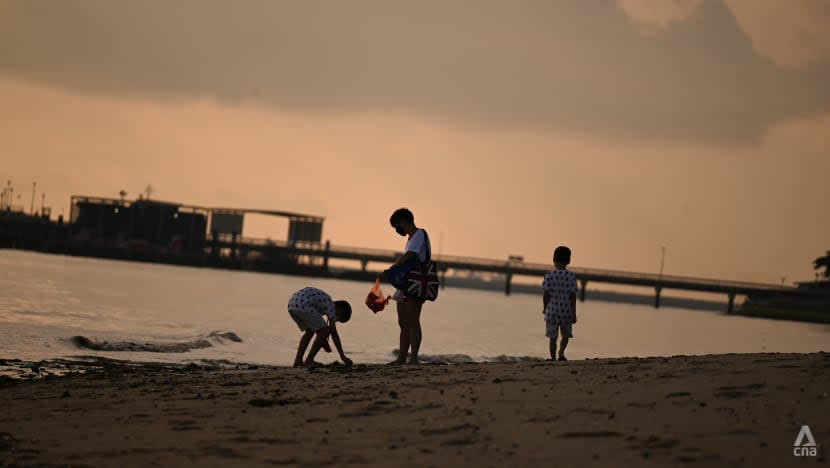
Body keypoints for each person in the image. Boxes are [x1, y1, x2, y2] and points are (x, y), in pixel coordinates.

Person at [378, 208, 431, 365]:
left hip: (415, 283)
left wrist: (391, 269)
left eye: (396, 225)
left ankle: (413, 358)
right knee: (403, 322)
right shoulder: (410, 239)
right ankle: (401, 357)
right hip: (405, 283)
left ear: (403, 221)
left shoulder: (419, 234)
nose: (397, 229)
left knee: (413, 320)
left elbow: (410, 255)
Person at [287, 286, 353, 368]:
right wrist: (342, 356)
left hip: (293, 304)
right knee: (326, 330)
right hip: (304, 305)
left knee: (310, 331)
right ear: (340, 310)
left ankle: (298, 361)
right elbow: (334, 333)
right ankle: (309, 361)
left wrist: (323, 340)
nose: (335, 319)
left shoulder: (325, 302)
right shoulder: (331, 306)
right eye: (338, 318)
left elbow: (318, 328)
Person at [542, 246, 578, 361]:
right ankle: (561, 353)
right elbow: (573, 297)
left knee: (552, 338)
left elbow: (546, 294)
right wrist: (574, 313)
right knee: (566, 335)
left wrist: (545, 308)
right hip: (566, 312)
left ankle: (553, 358)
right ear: (569, 260)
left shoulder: (549, 275)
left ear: (553, 259)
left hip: (552, 311)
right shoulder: (571, 276)